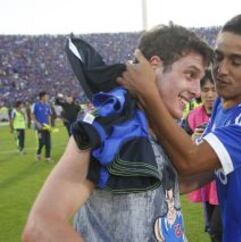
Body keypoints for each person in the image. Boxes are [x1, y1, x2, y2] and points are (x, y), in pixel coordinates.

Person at [119, 12, 241, 242]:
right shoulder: (223, 106)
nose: (221, 70)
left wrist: (148, 93)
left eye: (235, 61)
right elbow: (202, 172)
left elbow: (192, 161)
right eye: (218, 58)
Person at [22, 24, 213, 242]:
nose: (198, 91)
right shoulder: (108, 129)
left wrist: (227, 161)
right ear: (154, 66)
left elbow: (169, 184)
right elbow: (41, 227)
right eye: (190, 75)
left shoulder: (165, 130)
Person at [182, 70, 222, 242]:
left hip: (229, 182)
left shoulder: (228, 113)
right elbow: (181, 148)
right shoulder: (193, 116)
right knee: (213, 230)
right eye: (206, 90)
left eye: (214, 89)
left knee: (220, 229)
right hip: (207, 182)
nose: (210, 94)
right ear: (200, 92)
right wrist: (191, 140)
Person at [31, 91, 53, 162]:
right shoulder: (35, 105)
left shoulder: (48, 105)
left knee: (48, 143)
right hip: (39, 127)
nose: (48, 97)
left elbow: (49, 115)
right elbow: (32, 115)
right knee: (42, 142)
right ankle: (38, 153)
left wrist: (50, 125)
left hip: (47, 127)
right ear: (42, 97)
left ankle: (48, 157)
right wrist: (37, 123)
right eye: (47, 96)